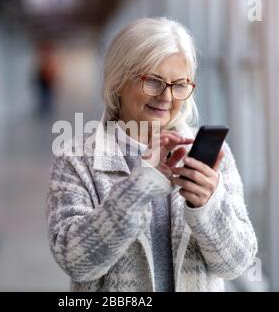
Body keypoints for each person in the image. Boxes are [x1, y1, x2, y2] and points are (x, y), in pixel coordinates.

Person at [46, 17, 257, 291]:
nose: (167, 97)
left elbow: (236, 265)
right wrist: (139, 187)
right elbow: (76, 262)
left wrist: (209, 207)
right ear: (118, 81)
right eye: (154, 82)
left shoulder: (212, 156)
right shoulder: (76, 161)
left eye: (180, 84)